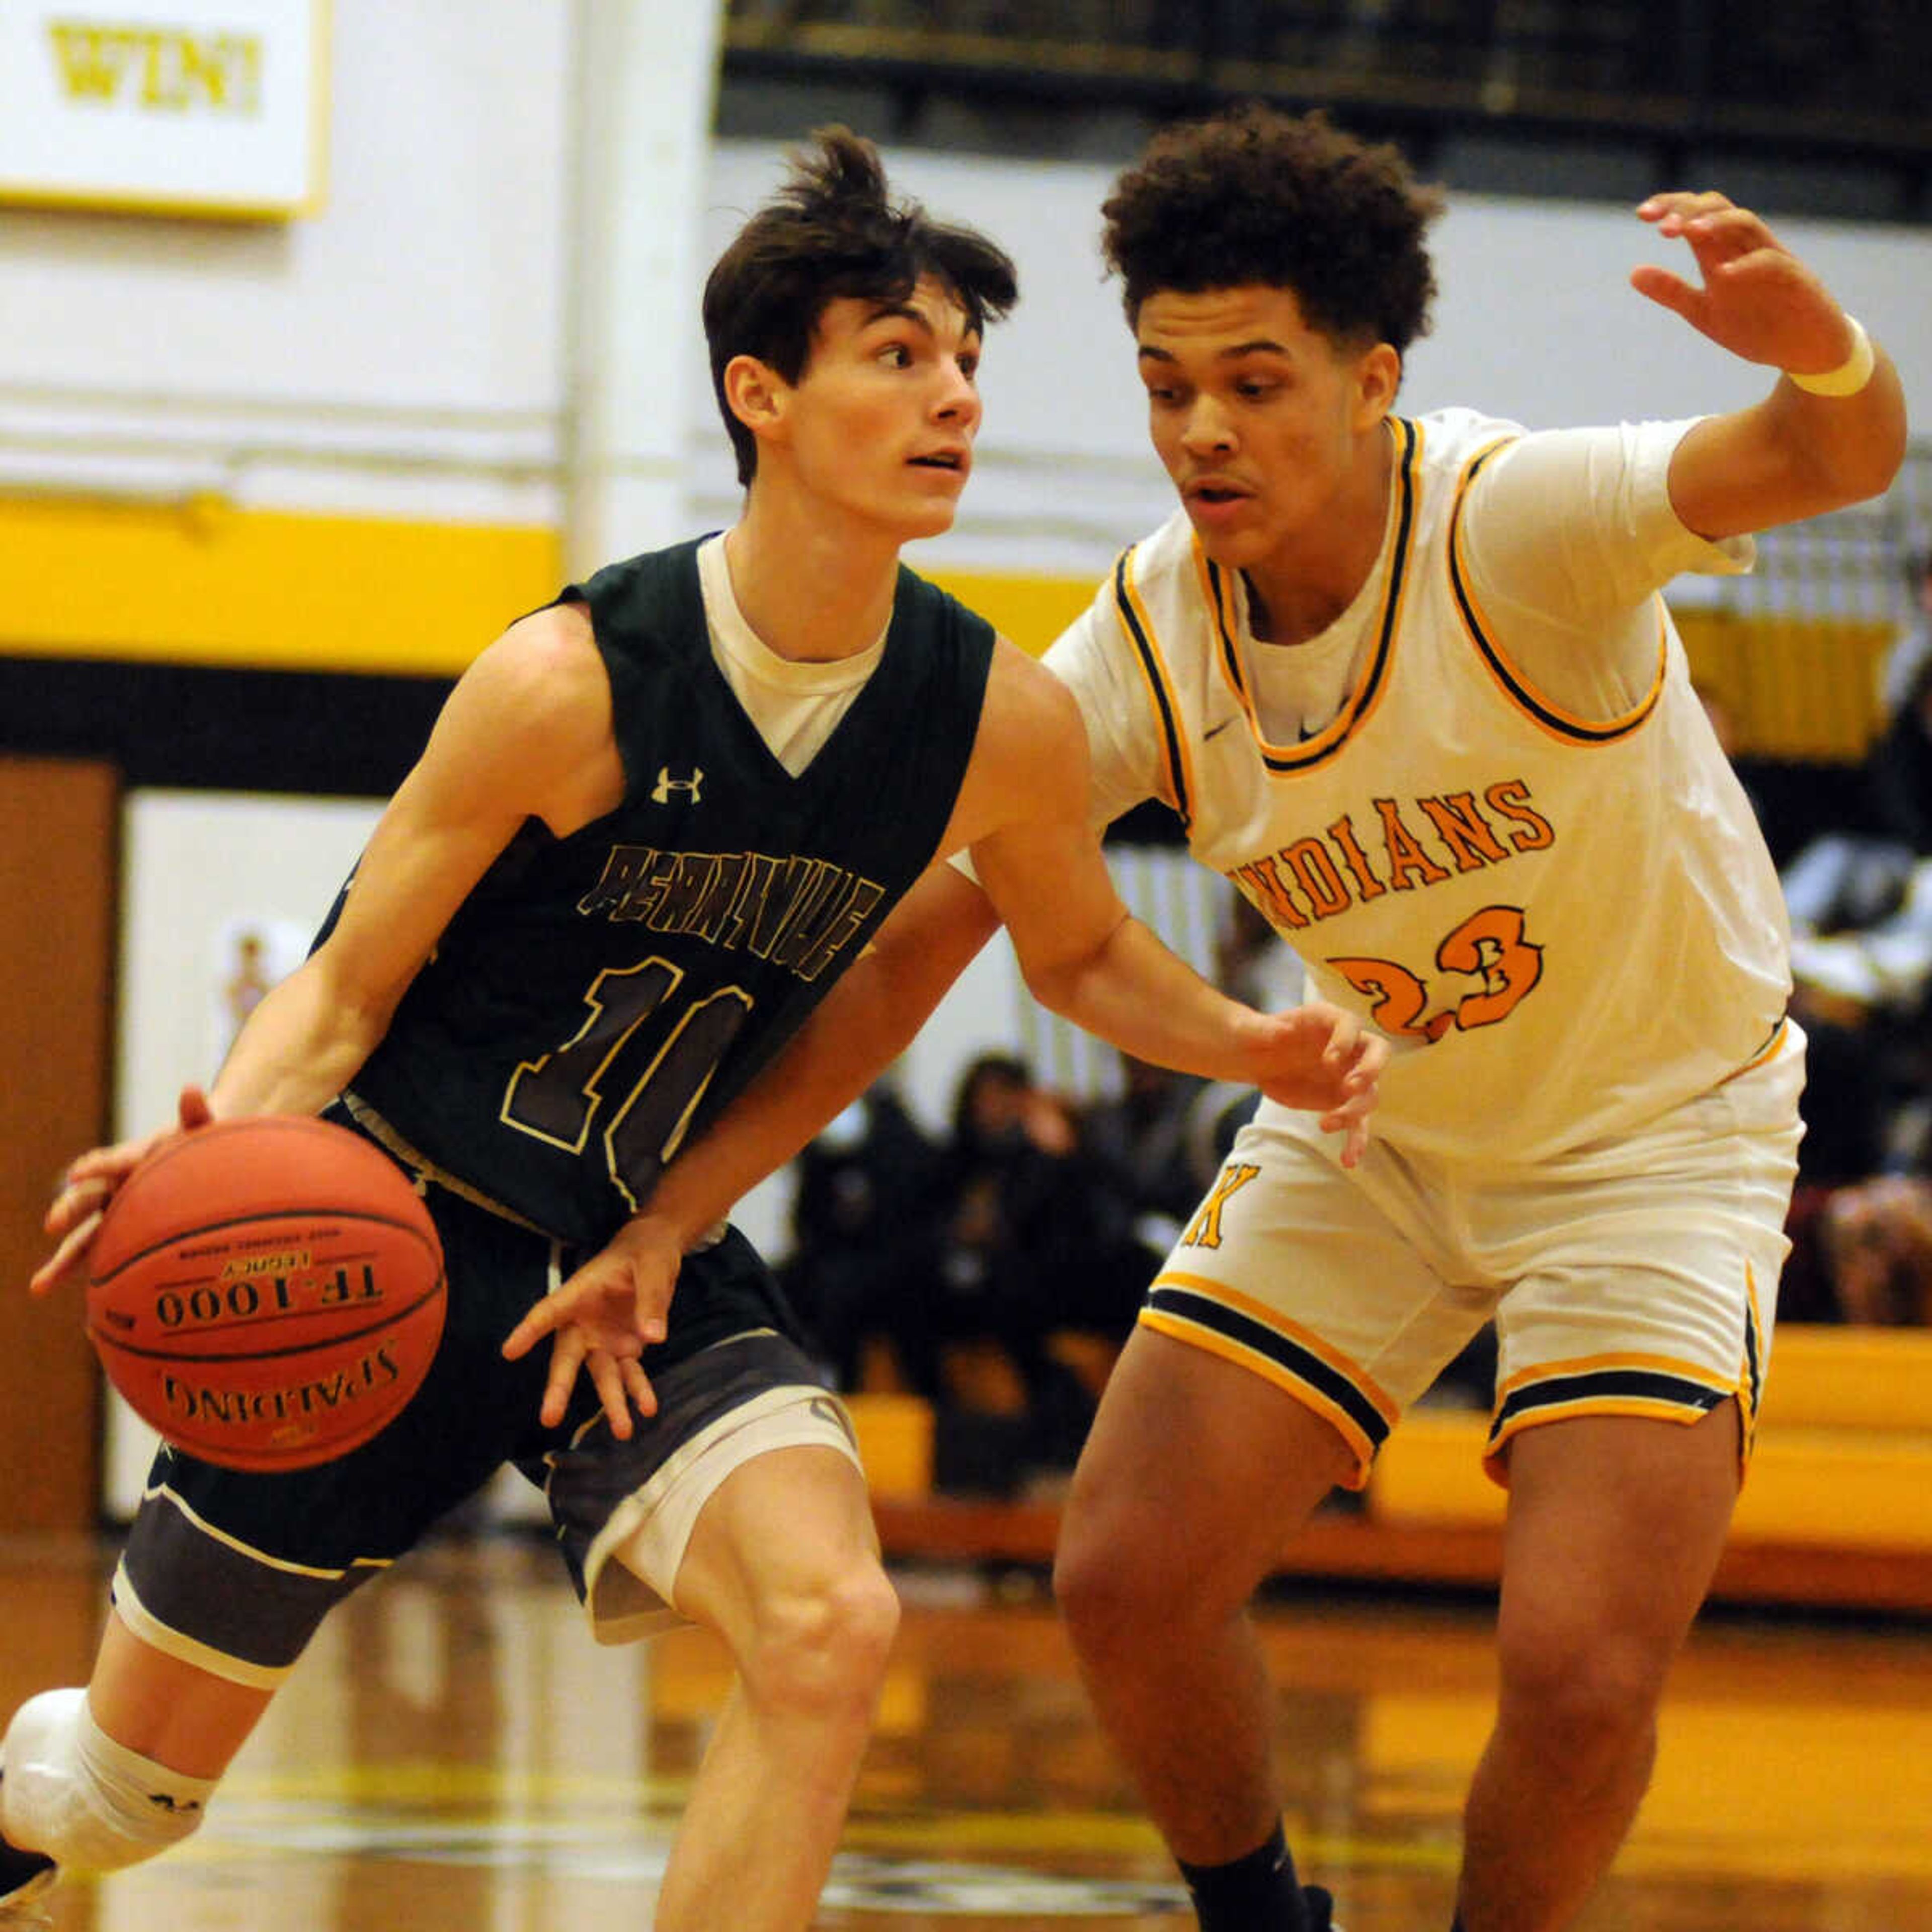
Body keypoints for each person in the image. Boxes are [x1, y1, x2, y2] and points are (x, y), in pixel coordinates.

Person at [523, 105, 1907, 1932]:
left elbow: (1835, 452)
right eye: (1169, 385)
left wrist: (1823, 341)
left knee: (1577, 1682)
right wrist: (677, 1209)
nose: (1201, 431)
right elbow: (920, 945)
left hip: (1653, 1145)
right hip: (1375, 1131)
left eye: (1254, 383)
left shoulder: (1513, 524)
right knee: (1123, 1579)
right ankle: (1262, 1921)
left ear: (1371, 379)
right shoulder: (1151, 641)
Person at [4, 129, 1382, 1931]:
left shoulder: (997, 721)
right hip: (376, 1244)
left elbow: (1085, 960)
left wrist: (1249, 1045)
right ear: (766, 395)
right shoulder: (568, 680)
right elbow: (342, 989)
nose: (955, 392)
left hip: (635, 1277)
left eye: (969, 359)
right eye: (900, 353)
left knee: (831, 1625)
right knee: (123, 1807)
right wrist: (213, 1152)